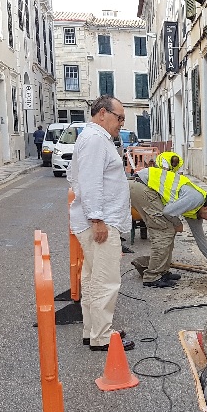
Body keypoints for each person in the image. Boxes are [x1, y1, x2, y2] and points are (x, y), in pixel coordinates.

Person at [68, 96, 135, 351]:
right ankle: (102, 336)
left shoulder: (93, 138)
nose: (121, 124)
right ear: (103, 114)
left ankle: (93, 330)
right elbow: (91, 182)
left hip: (98, 219)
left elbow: (76, 179)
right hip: (100, 221)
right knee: (106, 280)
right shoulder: (96, 140)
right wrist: (97, 219)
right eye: (119, 118)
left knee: (93, 278)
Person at [129, 163, 207, 287]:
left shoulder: (196, 211)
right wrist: (178, 223)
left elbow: (200, 237)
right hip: (141, 186)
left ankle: (162, 271)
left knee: (169, 230)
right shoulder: (195, 199)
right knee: (163, 231)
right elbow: (167, 212)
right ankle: (152, 277)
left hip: (144, 186)